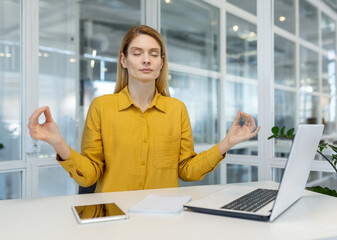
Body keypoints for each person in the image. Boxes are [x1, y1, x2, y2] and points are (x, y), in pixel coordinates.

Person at [28, 25, 261, 193]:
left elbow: (187, 171)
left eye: (153, 54)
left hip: (163, 218)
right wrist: (59, 143)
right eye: (137, 53)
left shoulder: (177, 109)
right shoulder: (101, 107)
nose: (146, 60)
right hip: (114, 218)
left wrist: (226, 144)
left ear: (161, 62)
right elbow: (89, 176)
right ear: (124, 60)